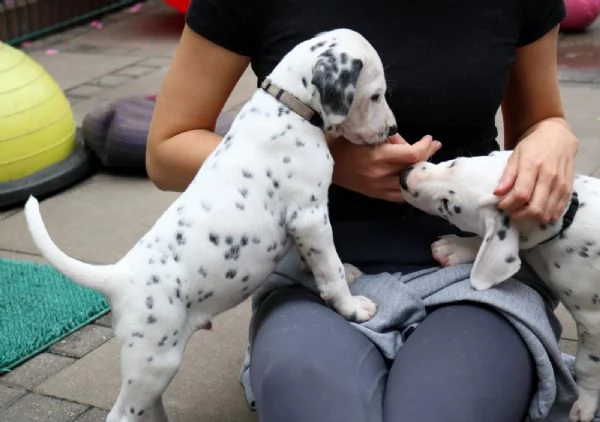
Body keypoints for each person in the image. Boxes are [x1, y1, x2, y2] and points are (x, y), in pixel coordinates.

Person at [145, 0, 584, 421]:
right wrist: (328, 164)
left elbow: (537, 122)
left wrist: (553, 133)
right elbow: (168, 150)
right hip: (316, 278)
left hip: (475, 274)